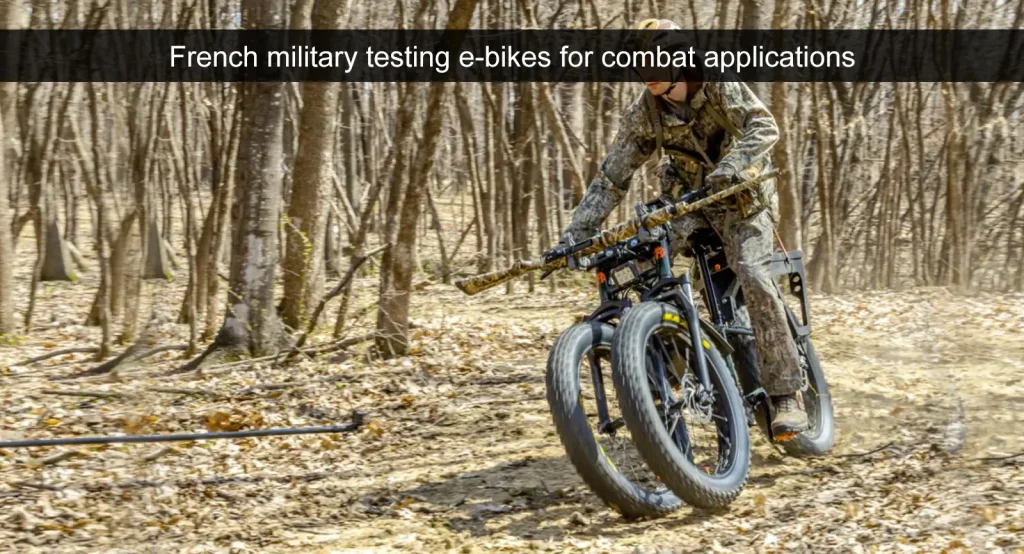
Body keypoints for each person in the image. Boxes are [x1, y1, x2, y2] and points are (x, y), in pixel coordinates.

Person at [554, 18, 808, 437]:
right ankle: (666, 363)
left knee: (753, 272)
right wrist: (576, 234)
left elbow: (764, 126)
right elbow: (611, 178)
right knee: (642, 262)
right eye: (639, 65)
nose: (648, 73)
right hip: (688, 207)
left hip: (744, 202)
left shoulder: (717, 82)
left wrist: (731, 168)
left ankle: (785, 394)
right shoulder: (644, 114)